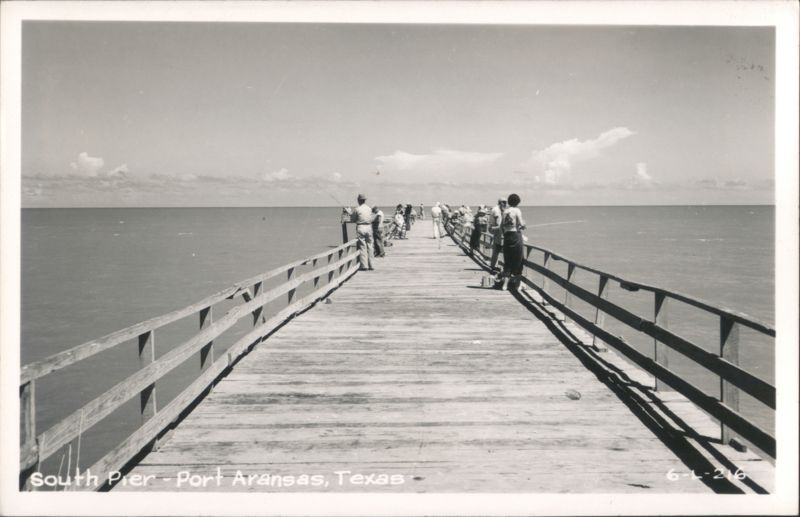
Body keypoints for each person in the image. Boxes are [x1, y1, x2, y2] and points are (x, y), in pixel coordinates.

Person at [500, 193, 527, 290]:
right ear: (518, 202)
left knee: (508, 260)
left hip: (507, 237)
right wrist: (524, 224)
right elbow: (521, 223)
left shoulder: (505, 211)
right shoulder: (517, 210)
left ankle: (505, 285)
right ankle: (517, 284)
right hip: (516, 236)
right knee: (519, 260)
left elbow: (501, 226)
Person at [343, 194, 375, 271]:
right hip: (369, 227)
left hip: (361, 227)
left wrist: (350, 213)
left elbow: (353, 220)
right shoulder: (369, 208)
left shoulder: (357, 209)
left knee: (362, 246)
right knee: (370, 246)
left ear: (359, 200)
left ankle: (364, 266)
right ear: (365, 200)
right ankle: (372, 265)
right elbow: (371, 218)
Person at [488, 198, 507, 273]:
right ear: (500, 202)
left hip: (493, 229)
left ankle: (493, 266)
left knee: (496, 249)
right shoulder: (497, 210)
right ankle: (506, 269)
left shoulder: (497, 209)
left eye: (506, 203)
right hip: (496, 229)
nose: (505, 204)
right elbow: (499, 224)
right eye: (504, 202)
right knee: (501, 248)